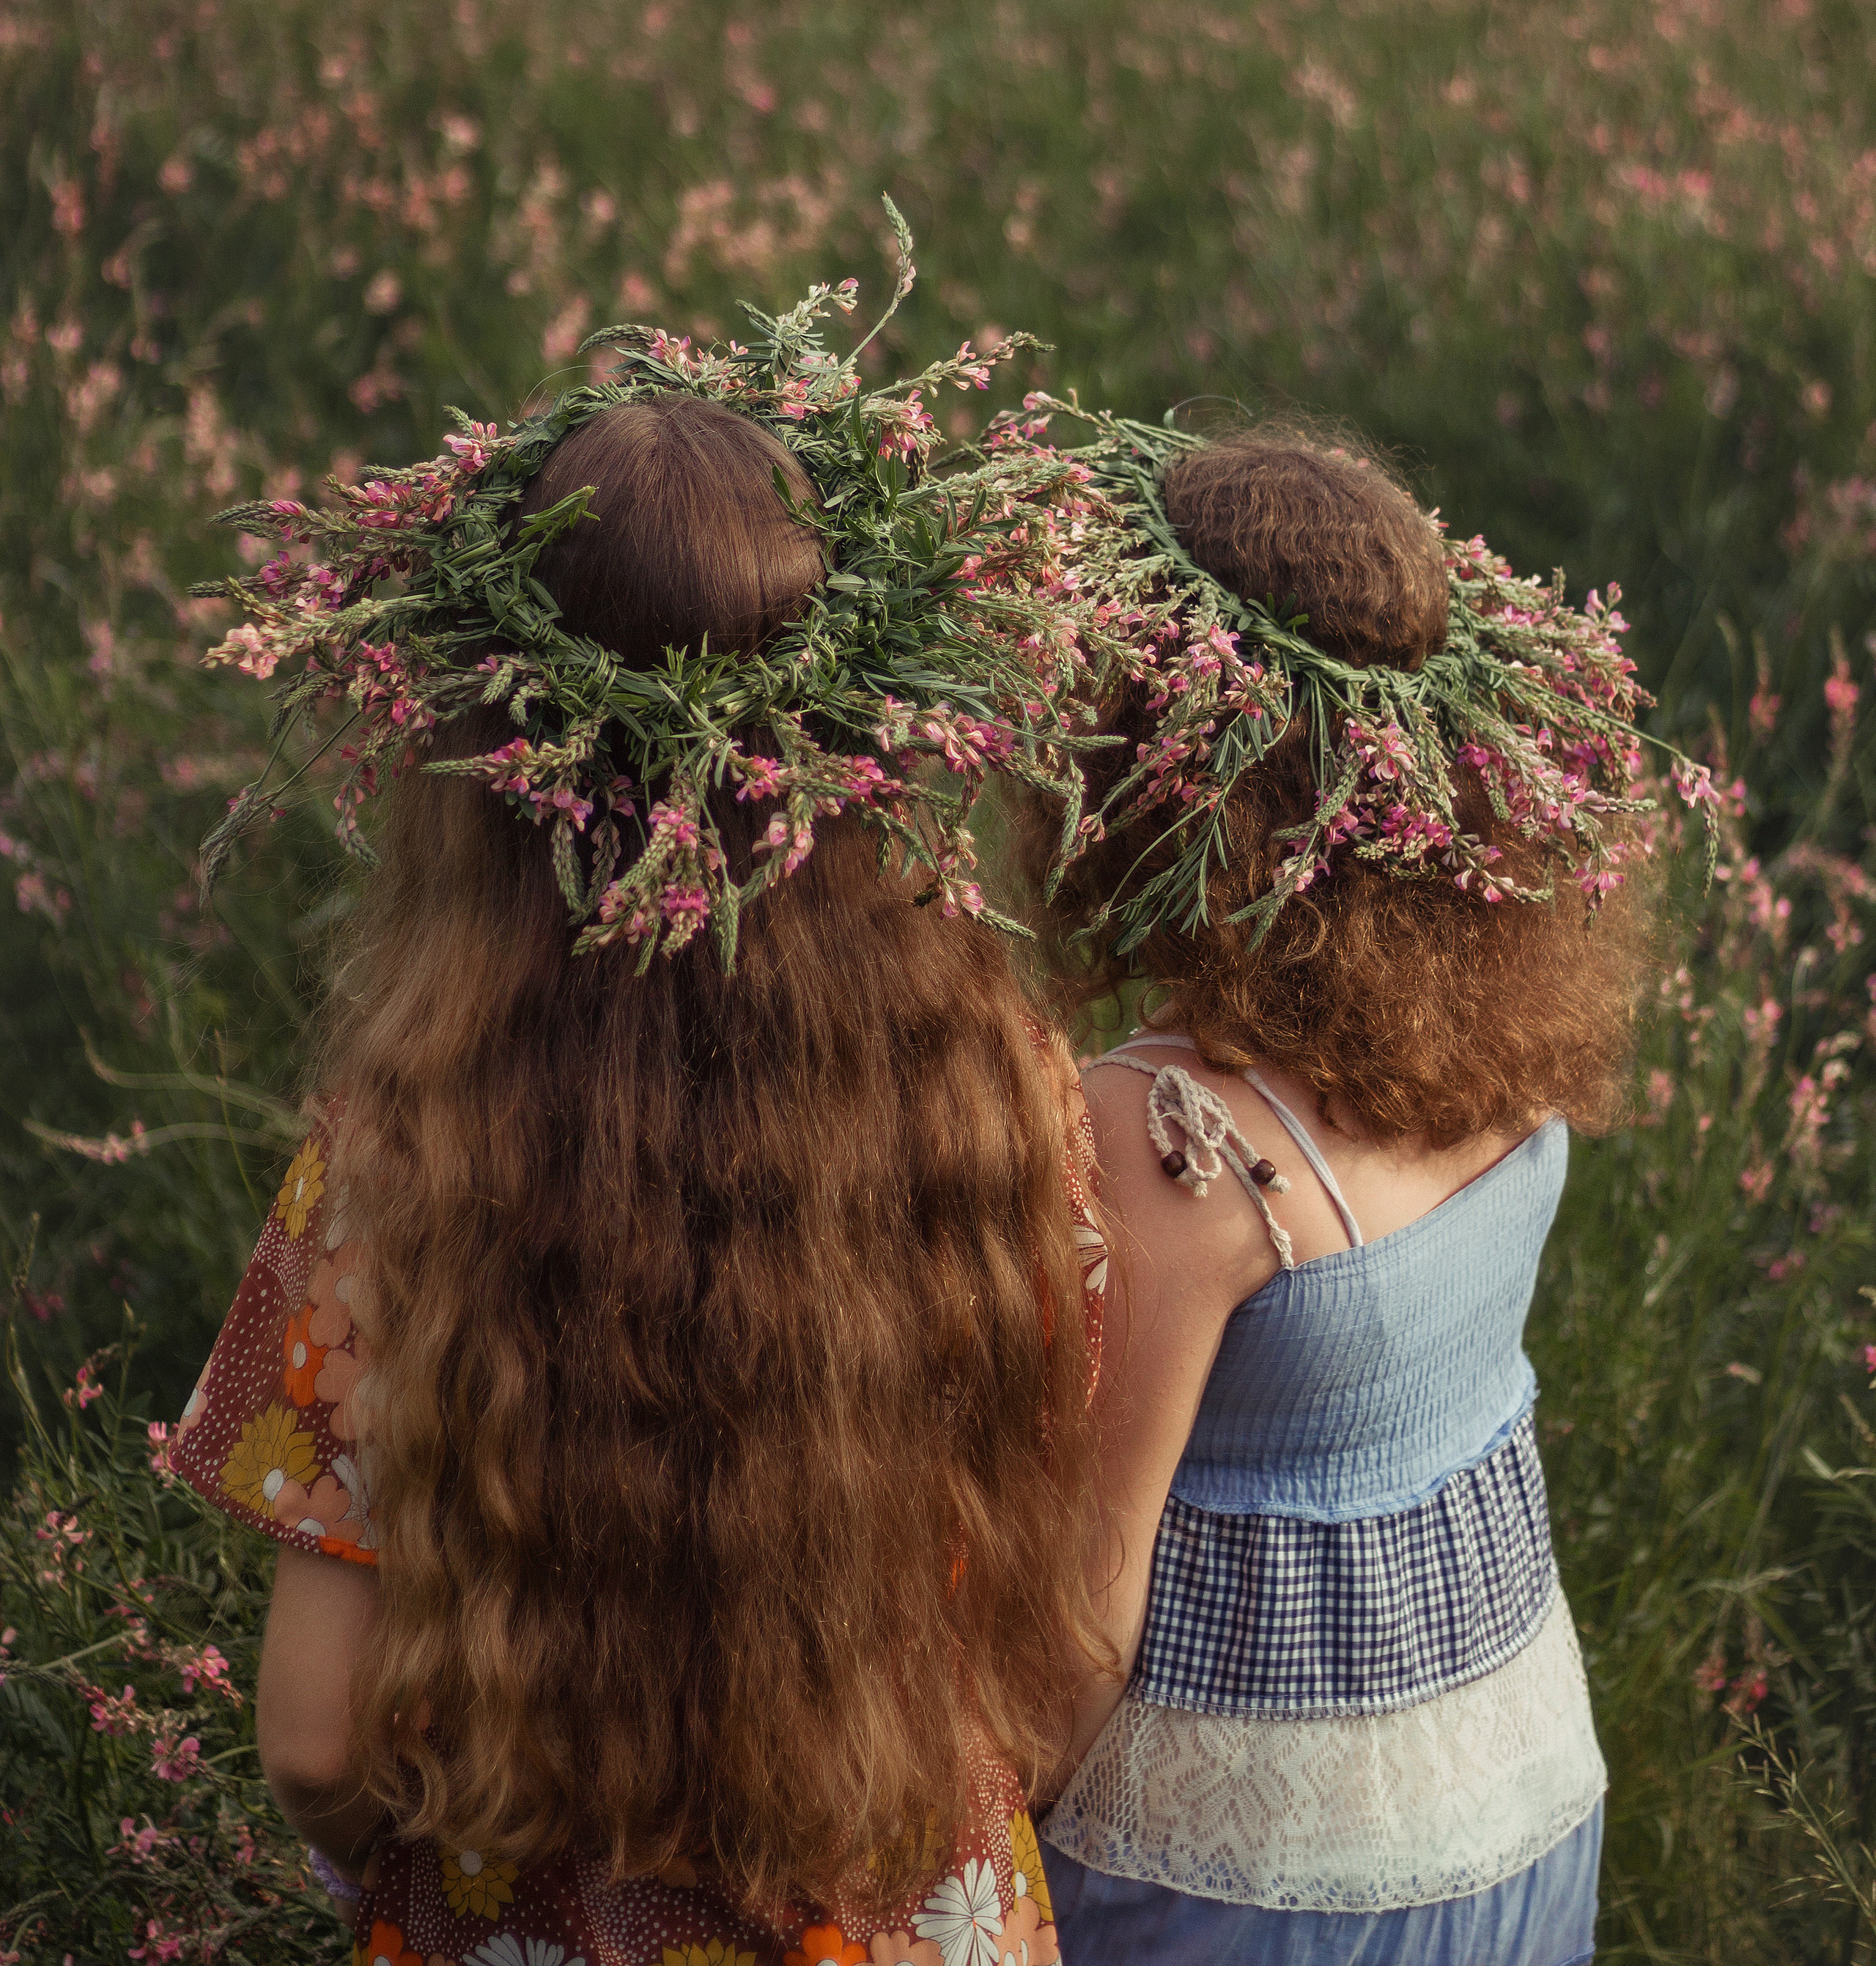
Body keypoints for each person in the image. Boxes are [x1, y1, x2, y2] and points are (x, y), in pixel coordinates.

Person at [169, 276, 1107, 1966]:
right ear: (858, 733)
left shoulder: (399, 1160)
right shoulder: (1003, 1092)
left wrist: (391, 1869)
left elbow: (313, 1740)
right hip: (904, 1898)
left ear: (490, 753)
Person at [1014, 418, 1672, 1966]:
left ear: (1153, 759)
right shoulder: (1499, 1028)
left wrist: (942, 1840)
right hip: (1518, 1802)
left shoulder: (1174, 1136)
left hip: (1246, 1878)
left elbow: (1084, 1622)